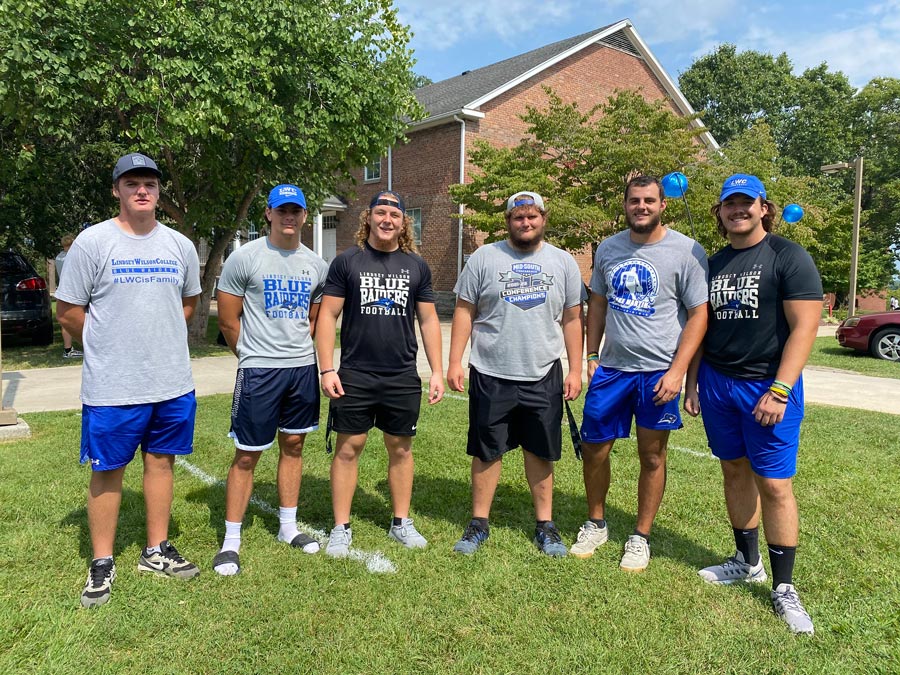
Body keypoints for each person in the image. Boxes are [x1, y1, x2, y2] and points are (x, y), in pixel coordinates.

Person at [56, 152, 202, 608]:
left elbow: (190, 302)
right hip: (113, 386)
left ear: (159, 192)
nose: (143, 190)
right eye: (132, 183)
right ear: (117, 189)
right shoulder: (92, 243)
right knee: (108, 470)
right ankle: (102, 562)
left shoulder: (180, 245)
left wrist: (158, 336)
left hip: (172, 382)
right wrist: (111, 343)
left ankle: (155, 551)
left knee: (161, 463)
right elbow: (69, 312)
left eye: (151, 184)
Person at [685, 174, 822, 635]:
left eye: (748, 202)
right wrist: (692, 382)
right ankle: (746, 560)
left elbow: (804, 328)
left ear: (764, 208)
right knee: (734, 470)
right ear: (719, 212)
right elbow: (701, 326)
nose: (738, 210)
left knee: (776, 484)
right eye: (730, 204)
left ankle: (783, 587)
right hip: (718, 384)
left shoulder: (789, 256)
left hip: (768, 386)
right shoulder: (713, 262)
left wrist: (781, 389)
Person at [572, 175, 708, 571]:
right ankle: (596, 523)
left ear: (663, 204)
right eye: (635, 200)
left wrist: (678, 371)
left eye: (650, 200)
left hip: (658, 373)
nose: (642, 207)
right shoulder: (610, 249)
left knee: (652, 455)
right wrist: (591, 354)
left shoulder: (686, 250)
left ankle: (640, 536)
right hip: (612, 370)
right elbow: (596, 303)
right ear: (626, 204)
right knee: (595, 448)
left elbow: (700, 314)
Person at [447, 191, 583, 557]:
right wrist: (454, 361)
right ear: (507, 221)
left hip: (543, 373)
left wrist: (575, 368)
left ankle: (546, 526)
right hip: (491, 371)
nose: (526, 223)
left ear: (544, 218)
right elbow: (464, 310)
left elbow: (572, 318)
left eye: (532, 216)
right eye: (518, 217)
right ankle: (478, 523)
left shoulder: (564, 262)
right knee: (487, 451)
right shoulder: (483, 258)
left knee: (540, 451)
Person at [316, 191, 444, 557]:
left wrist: (436, 371)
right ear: (368, 218)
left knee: (400, 449)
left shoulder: (416, 266)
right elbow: (327, 317)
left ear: (404, 222)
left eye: (394, 214)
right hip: (355, 373)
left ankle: (401, 522)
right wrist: (327, 368)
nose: (387, 219)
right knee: (348, 447)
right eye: (381, 212)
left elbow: (429, 319)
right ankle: (341, 526)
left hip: (401, 375)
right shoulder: (346, 262)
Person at [212, 184, 330, 576]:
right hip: (259, 369)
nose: (289, 217)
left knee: (294, 444)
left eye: (296, 210)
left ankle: (288, 527)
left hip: (300, 368)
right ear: (268, 213)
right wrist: (249, 356)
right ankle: (231, 541)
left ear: (304, 215)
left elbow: (313, 319)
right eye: (282, 210)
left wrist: (298, 352)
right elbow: (228, 320)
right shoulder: (245, 258)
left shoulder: (316, 263)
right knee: (247, 453)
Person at [54, 234, 83, 358]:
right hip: (74, 289)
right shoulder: (73, 256)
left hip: (62, 289)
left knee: (65, 321)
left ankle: (67, 349)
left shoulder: (58, 257)